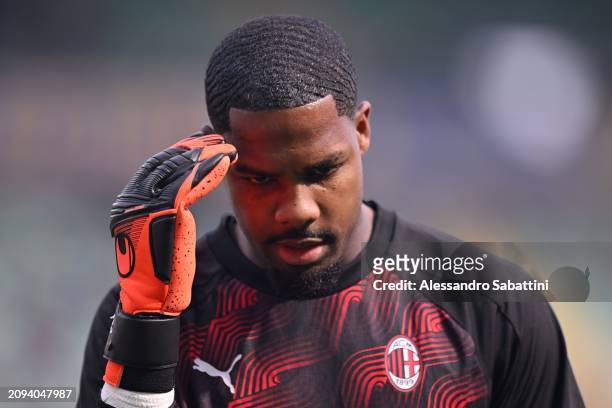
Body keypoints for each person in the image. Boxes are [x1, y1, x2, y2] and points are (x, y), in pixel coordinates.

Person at [78, 15, 584, 407]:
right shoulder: (149, 319)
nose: (296, 209)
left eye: (322, 170)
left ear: (361, 130)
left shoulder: (490, 305)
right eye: (260, 178)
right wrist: (145, 335)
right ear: (216, 158)